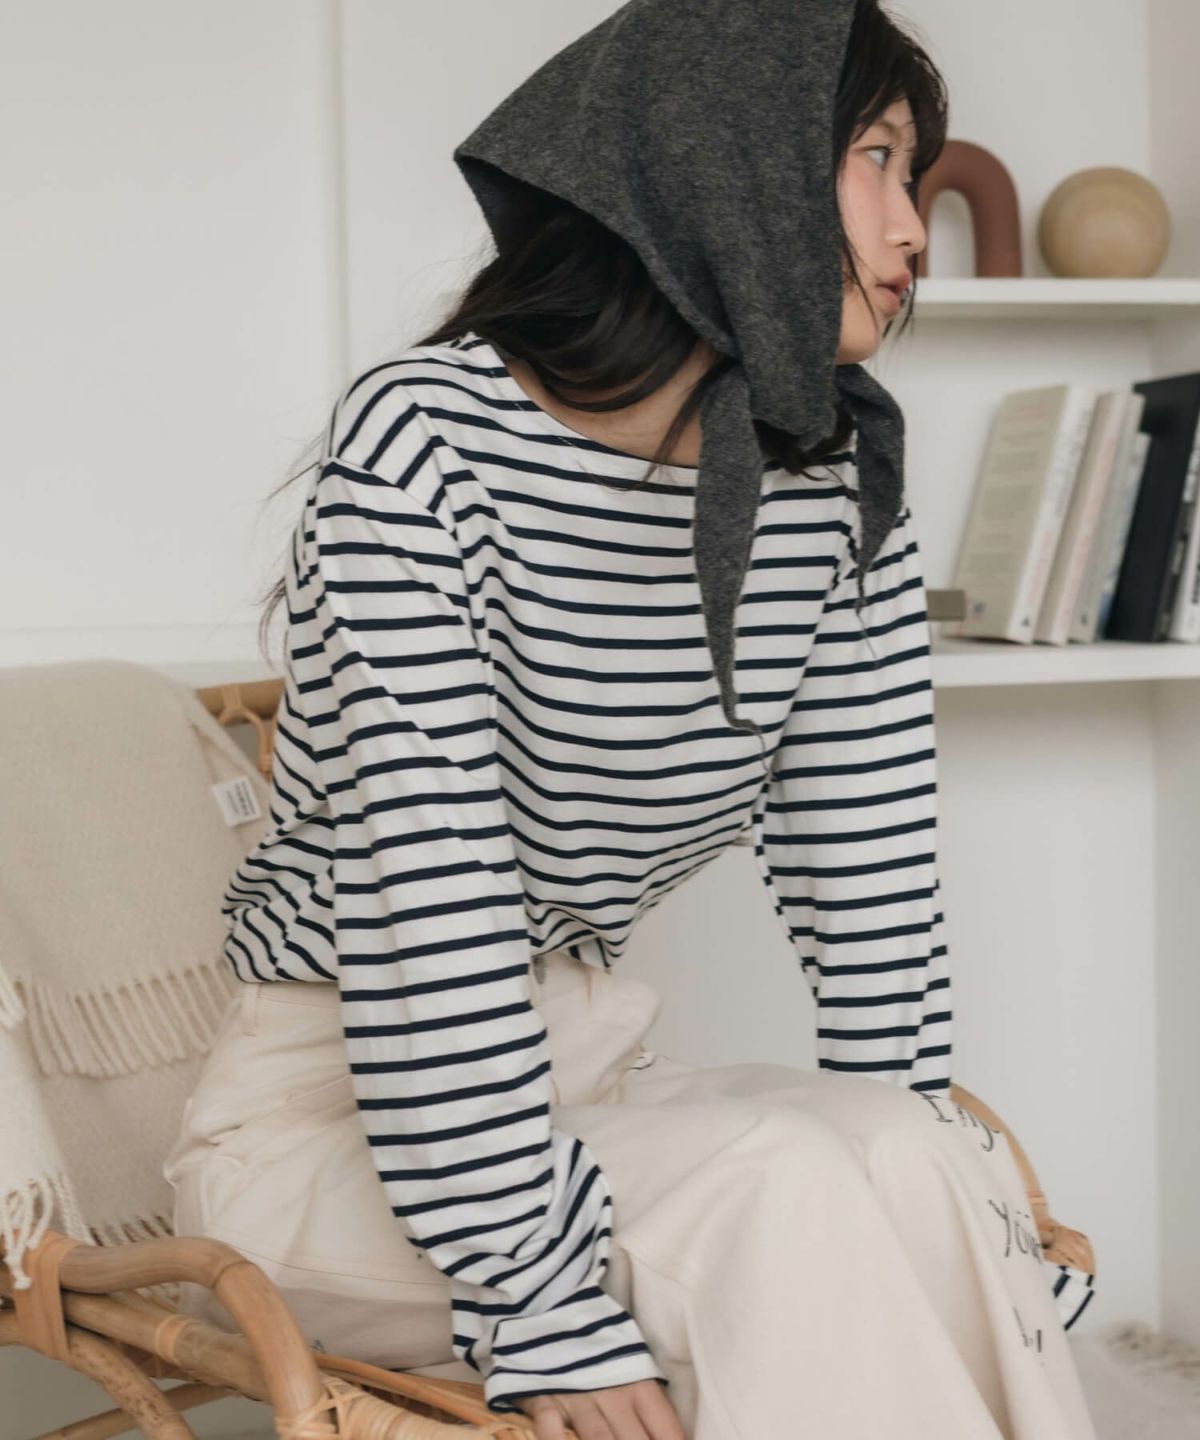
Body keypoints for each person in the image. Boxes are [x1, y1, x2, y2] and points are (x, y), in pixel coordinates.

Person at [163, 3, 1100, 1437]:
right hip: (327, 1120)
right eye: (876, 157)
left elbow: (873, 888)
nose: (913, 227)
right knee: (780, 1190)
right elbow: (432, 908)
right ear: (726, 162)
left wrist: (957, 1219)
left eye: (916, 173)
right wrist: (534, 1292)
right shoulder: (425, 446)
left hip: (589, 1075)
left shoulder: (833, 485)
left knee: (910, 1156)